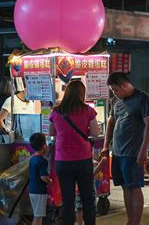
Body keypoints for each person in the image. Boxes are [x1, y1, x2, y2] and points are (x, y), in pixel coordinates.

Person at [102, 72, 149, 225]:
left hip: (133, 153)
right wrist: (106, 145)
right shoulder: (116, 102)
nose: (114, 93)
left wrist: (143, 151)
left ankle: (136, 222)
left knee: (134, 187)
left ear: (124, 85)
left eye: (114, 89)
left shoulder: (142, 98)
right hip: (118, 152)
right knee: (125, 186)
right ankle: (130, 220)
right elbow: (111, 123)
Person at [48, 80, 99, 225]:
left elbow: (51, 132)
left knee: (68, 200)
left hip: (63, 162)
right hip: (83, 160)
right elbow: (95, 133)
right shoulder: (88, 110)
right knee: (87, 198)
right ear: (82, 94)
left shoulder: (56, 111)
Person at [29, 133, 52, 225]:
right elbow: (43, 177)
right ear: (44, 146)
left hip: (32, 190)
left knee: (37, 215)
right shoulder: (42, 161)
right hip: (40, 192)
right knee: (38, 216)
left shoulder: (32, 159)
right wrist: (49, 181)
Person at [75, 157, 106, 225]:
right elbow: (94, 172)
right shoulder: (87, 162)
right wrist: (102, 162)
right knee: (88, 208)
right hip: (87, 189)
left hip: (79, 189)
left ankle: (80, 223)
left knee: (79, 208)